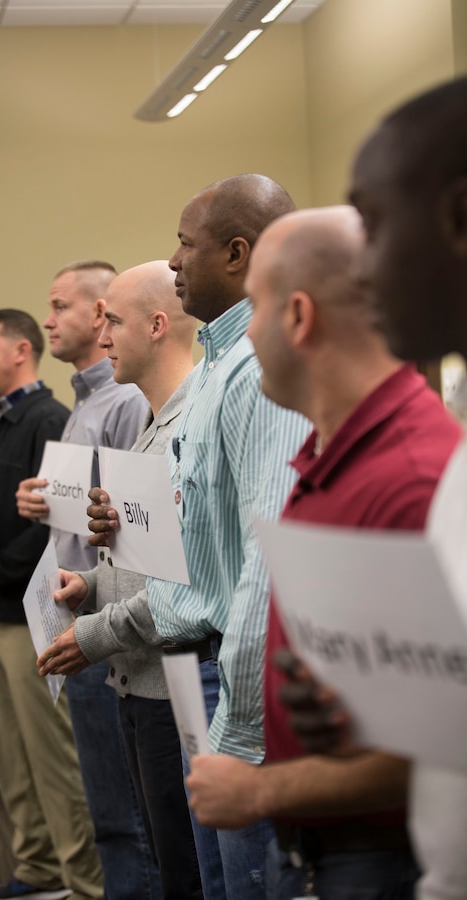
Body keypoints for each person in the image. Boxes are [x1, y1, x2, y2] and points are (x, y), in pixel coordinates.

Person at [187, 203, 465, 897]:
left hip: (385, 854)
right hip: (335, 838)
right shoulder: (331, 455)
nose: (246, 331)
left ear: (300, 318)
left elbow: (440, 747)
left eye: (254, 307)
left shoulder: (413, 478)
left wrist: (257, 793)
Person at [82, 175, 309, 899]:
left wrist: (238, 730)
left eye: (186, 243)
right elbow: (200, 541)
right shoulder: (215, 369)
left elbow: (264, 565)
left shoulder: (254, 372)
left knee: (244, 885)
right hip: (195, 666)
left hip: (227, 679)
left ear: (238, 254)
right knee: (215, 884)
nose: (174, 261)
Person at [276, 76, 467, 900]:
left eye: (377, 225)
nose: (365, 269)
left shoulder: (427, 463)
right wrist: (383, 715)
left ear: (459, 220)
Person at [36, 260, 203, 900]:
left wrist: (97, 630)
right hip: (137, 678)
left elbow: (187, 588)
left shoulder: (184, 430)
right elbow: (142, 564)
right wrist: (92, 587)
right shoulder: (149, 434)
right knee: (164, 858)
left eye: (114, 321)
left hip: (173, 684)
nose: (103, 338)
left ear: (158, 325)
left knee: (183, 869)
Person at [14, 263, 158, 900]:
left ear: (100, 313)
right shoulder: (86, 403)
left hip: (114, 629)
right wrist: (47, 503)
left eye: (58, 306)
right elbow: (94, 515)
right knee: (110, 808)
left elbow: (137, 534)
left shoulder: (125, 401)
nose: (47, 320)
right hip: (84, 610)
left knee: (127, 816)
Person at [0, 308, 102, 900]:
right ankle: (38, 868)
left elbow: (52, 528)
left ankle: (82, 882)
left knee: (51, 759)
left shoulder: (48, 419)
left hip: (25, 617)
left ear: (20, 350)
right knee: (10, 757)